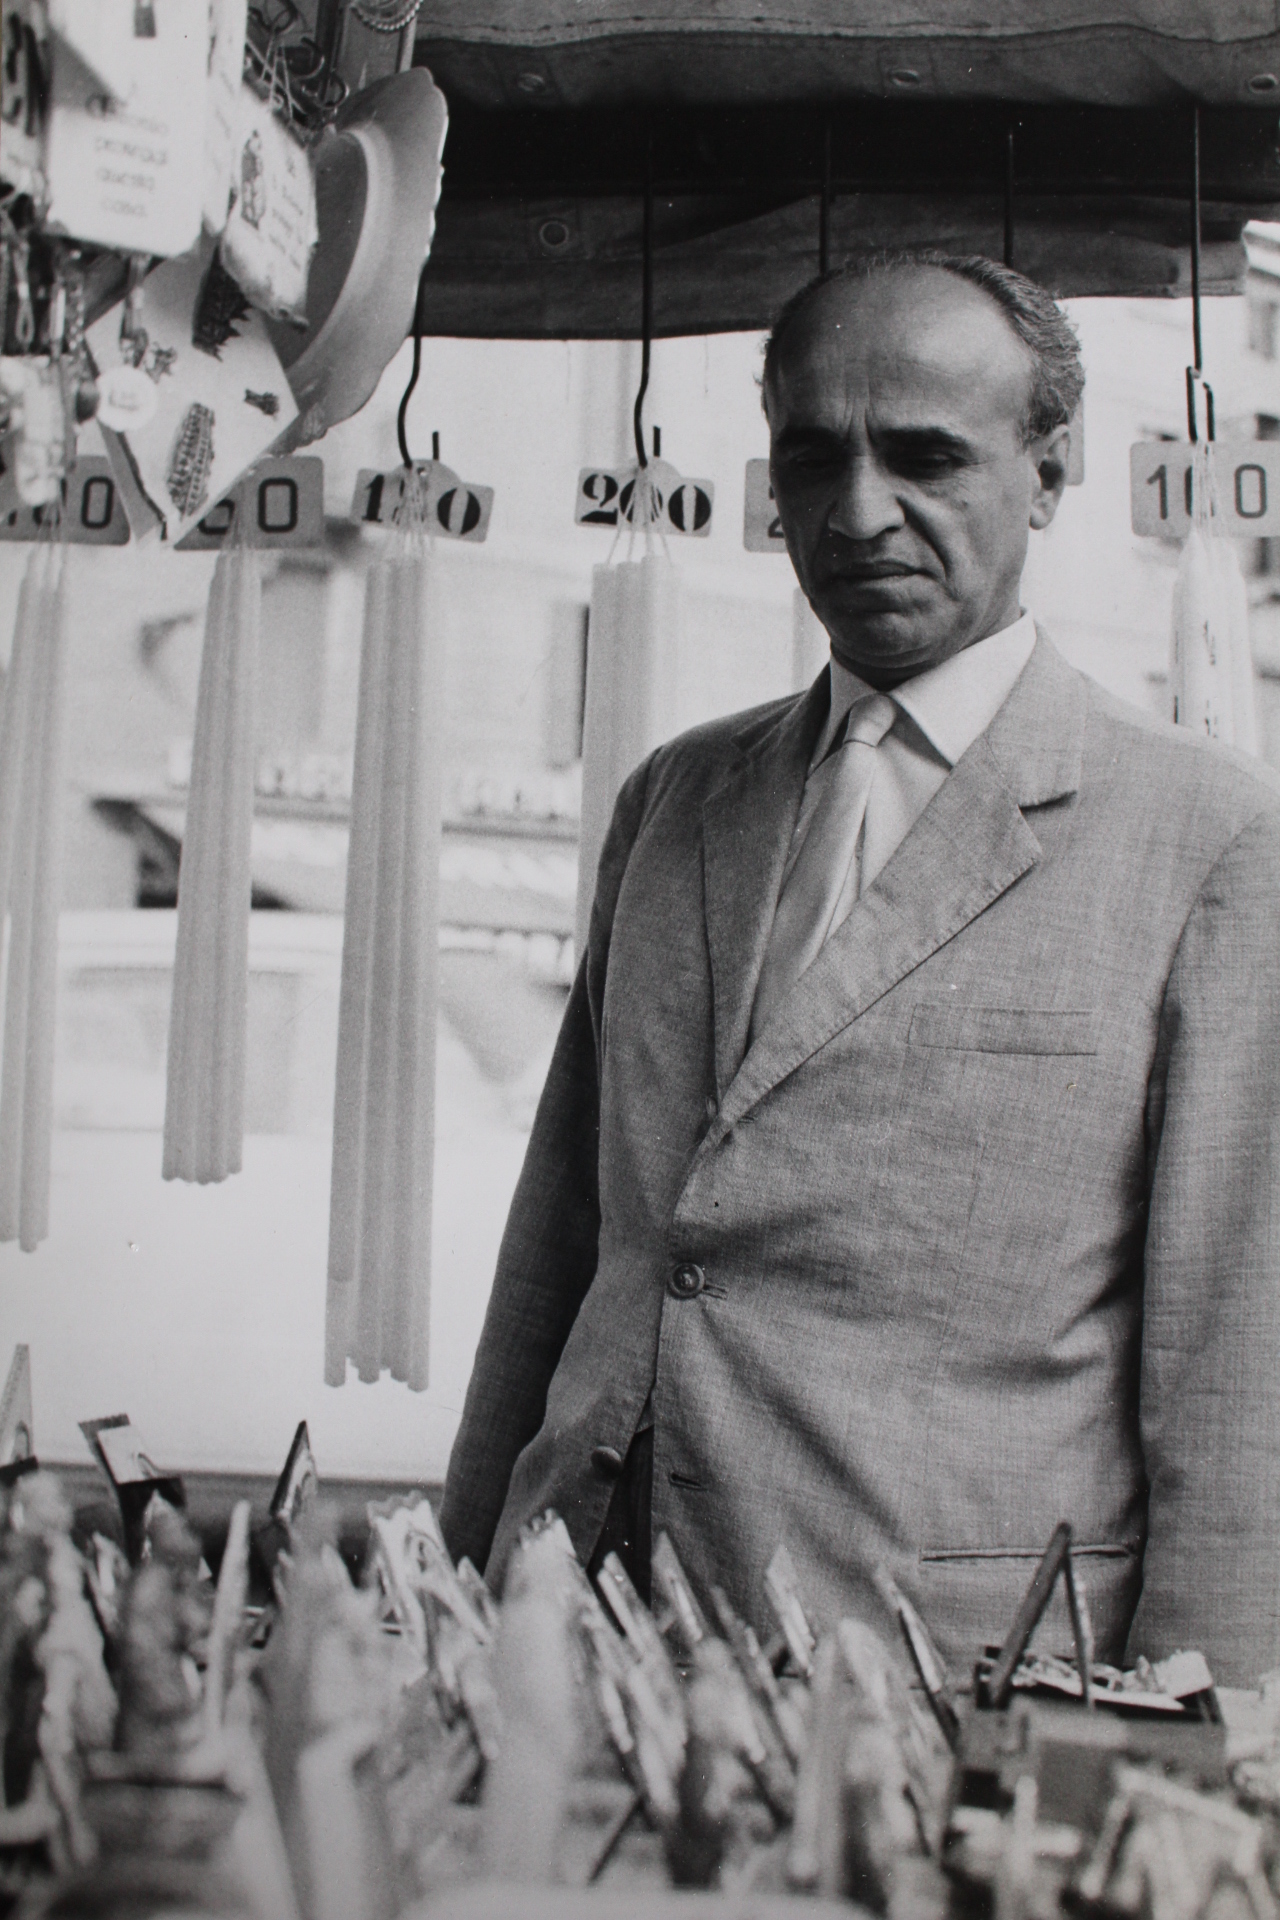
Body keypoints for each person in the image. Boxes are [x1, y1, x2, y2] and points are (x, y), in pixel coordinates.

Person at [441, 252, 1280, 1684]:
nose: (858, 511)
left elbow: (1236, 1372)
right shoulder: (676, 798)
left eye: (928, 457)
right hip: (583, 1645)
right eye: (812, 456)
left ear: (1049, 472)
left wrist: (1203, 1762)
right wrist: (464, 1596)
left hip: (946, 1680)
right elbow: (564, 1249)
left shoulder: (1206, 836)